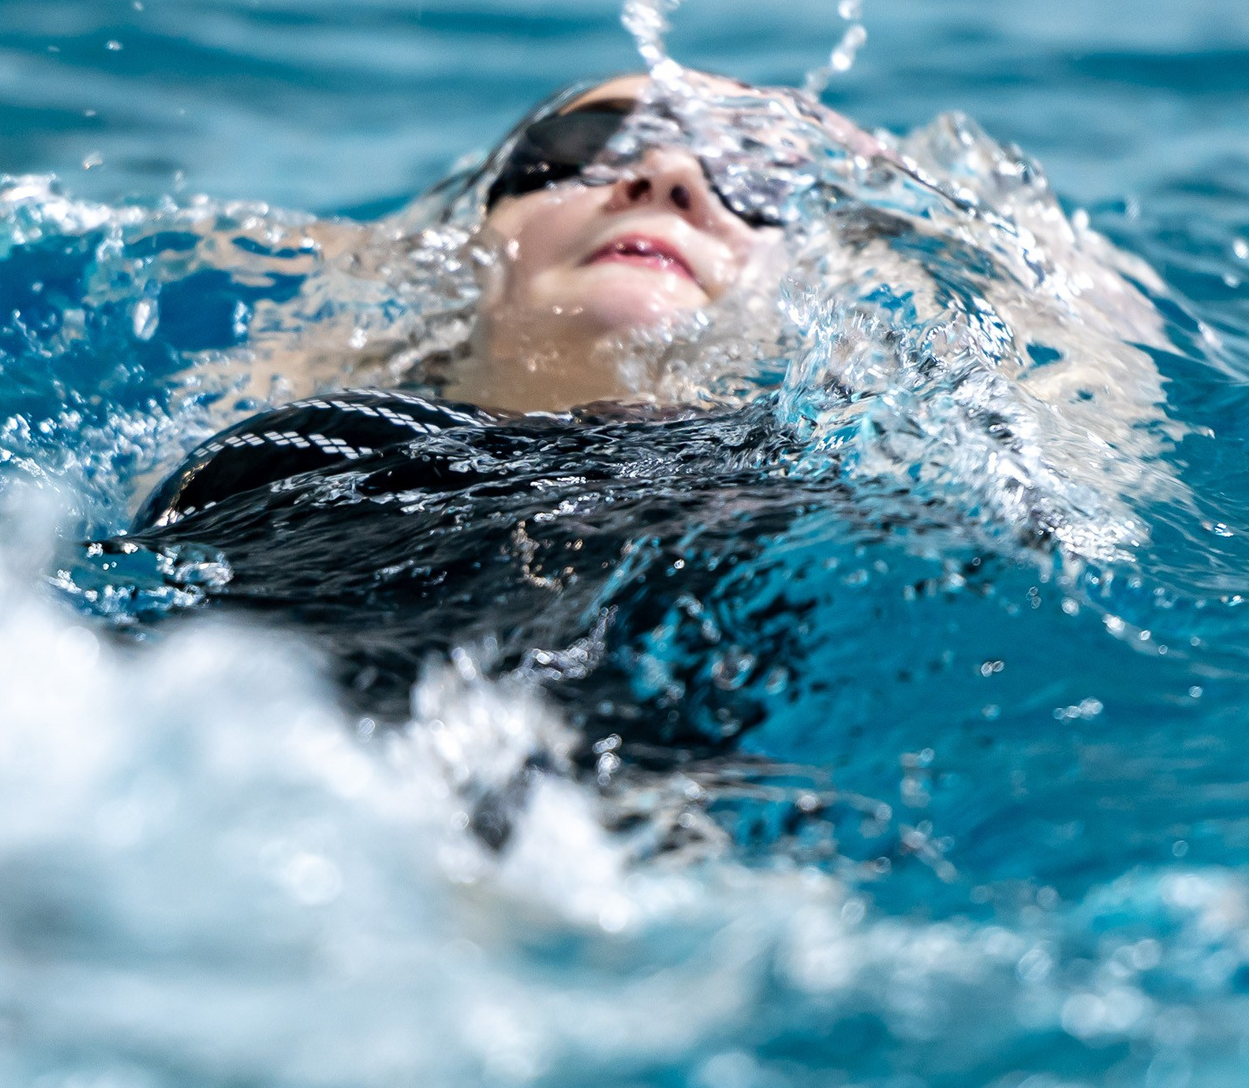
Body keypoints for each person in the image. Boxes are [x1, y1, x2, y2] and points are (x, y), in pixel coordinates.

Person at [87, 71, 866, 794]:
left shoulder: (793, 493)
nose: (670, 178)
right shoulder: (312, 441)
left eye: (757, 179)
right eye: (589, 146)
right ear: (472, 240)